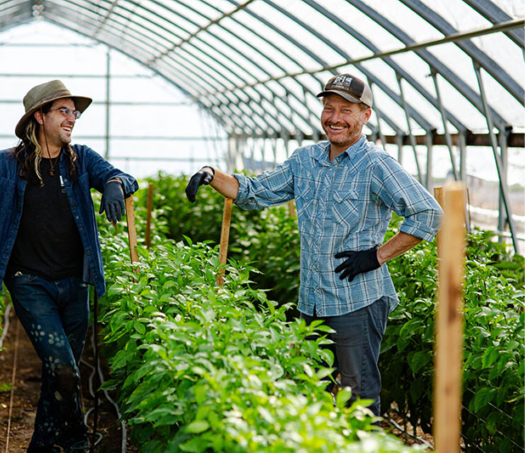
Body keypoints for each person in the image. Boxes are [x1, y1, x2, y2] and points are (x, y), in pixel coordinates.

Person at [183, 73, 442, 419]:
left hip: (357, 303)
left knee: (357, 398)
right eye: (329, 108)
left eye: (346, 110)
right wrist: (212, 174)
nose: (335, 118)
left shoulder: (377, 166)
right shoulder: (306, 161)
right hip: (313, 302)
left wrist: (377, 256)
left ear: (365, 116)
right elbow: (253, 191)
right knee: (312, 393)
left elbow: (429, 214)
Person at [0, 80, 137, 452]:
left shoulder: (81, 160)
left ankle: (41, 446)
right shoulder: (7, 163)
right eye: (64, 111)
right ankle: (77, 440)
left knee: (59, 373)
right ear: (39, 116)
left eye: (74, 112)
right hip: (29, 283)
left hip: (76, 284)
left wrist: (114, 183)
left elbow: (126, 178)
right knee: (64, 368)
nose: (72, 119)